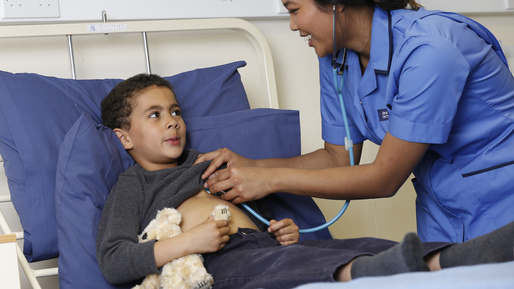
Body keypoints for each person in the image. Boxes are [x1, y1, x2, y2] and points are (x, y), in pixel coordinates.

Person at [96, 74, 514, 289]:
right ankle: (400, 272)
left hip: (261, 248)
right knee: (301, 267)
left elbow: (257, 216)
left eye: (175, 111)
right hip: (217, 263)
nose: (172, 121)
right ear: (124, 136)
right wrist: (190, 243)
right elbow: (114, 260)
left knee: (362, 246)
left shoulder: (206, 164)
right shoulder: (134, 185)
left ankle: (461, 258)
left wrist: (280, 232)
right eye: (154, 115)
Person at [198, 0, 514, 243]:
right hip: (442, 209)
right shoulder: (336, 56)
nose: (293, 26)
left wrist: (268, 181)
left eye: (294, 10)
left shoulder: (429, 49)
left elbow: (385, 178)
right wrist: (253, 168)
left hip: (501, 198)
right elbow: (337, 157)